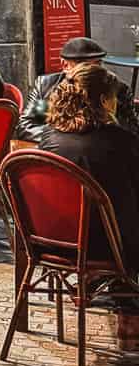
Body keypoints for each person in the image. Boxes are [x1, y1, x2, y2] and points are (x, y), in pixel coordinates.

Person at [39, 62, 139, 272]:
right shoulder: (119, 140)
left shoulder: (49, 137)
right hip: (108, 245)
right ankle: (124, 287)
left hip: (51, 238)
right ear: (104, 101)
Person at [18, 35, 138, 142]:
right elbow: (27, 126)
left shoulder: (117, 89)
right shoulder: (46, 86)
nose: (93, 71)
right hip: (58, 154)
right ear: (65, 65)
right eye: (85, 66)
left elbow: (132, 131)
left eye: (97, 64)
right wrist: (65, 137)